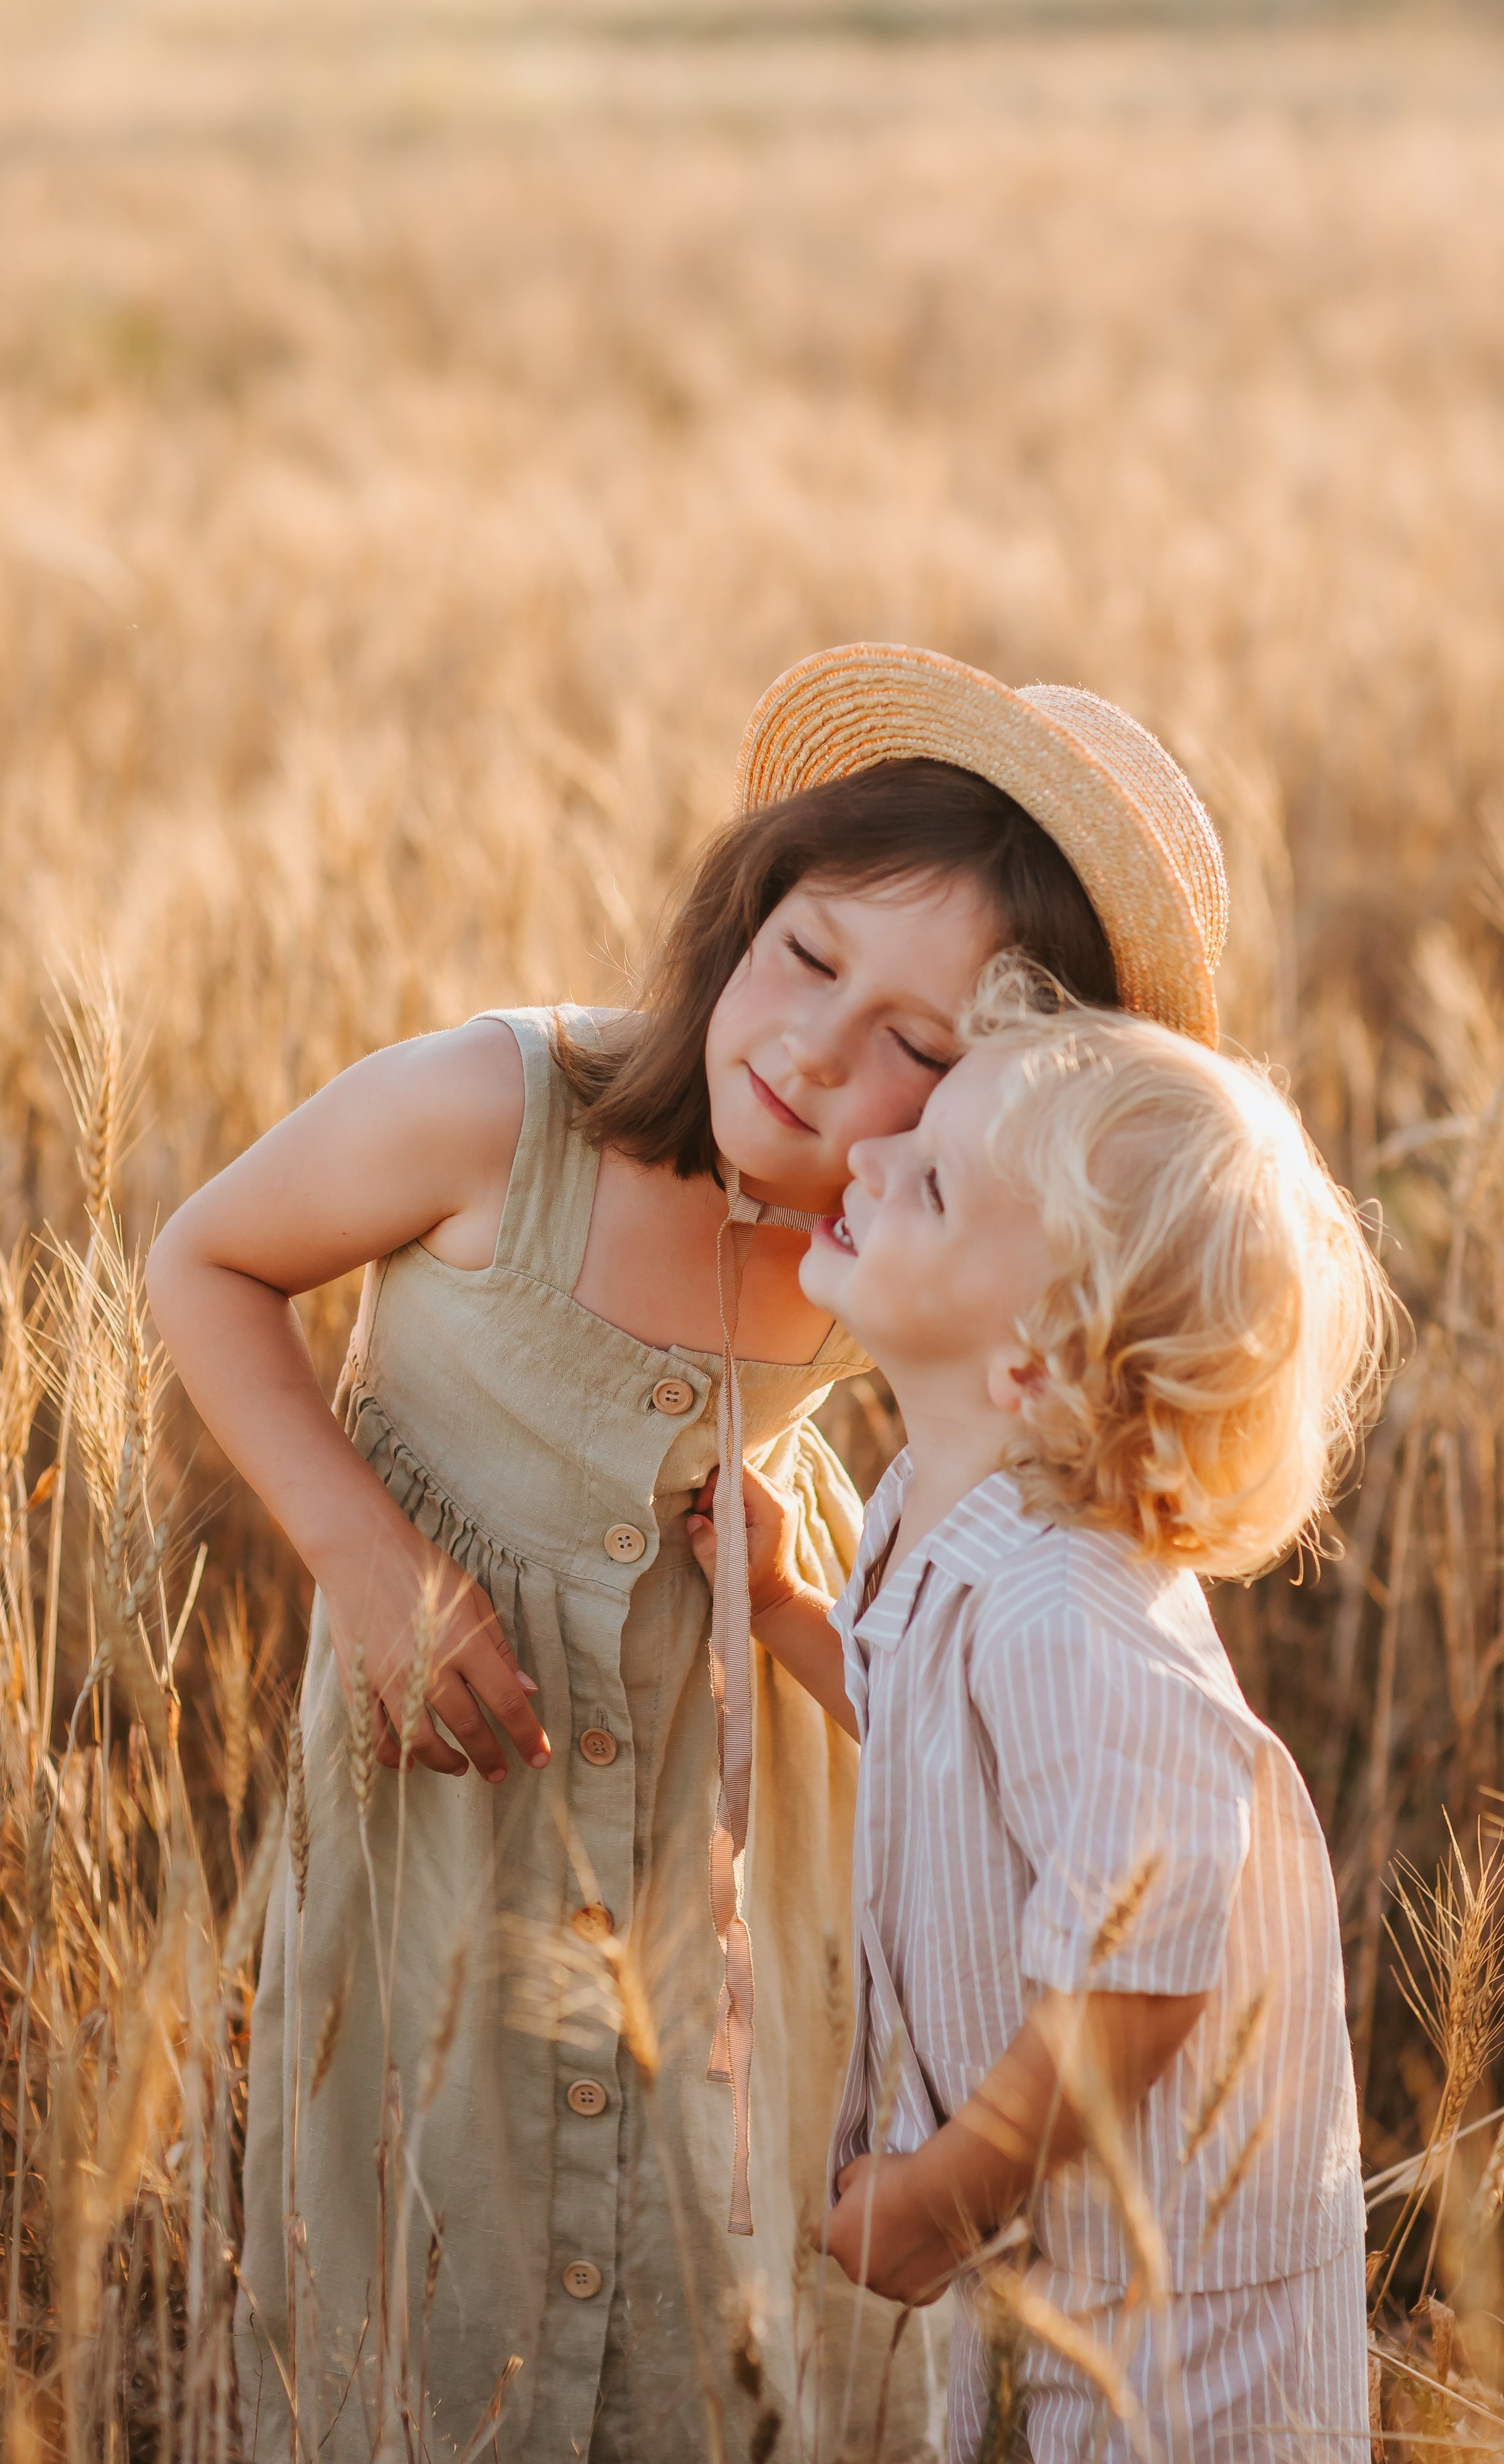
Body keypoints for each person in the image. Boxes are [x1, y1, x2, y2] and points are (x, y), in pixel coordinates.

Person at [145, 642, 1229, 2464]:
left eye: (922, 1049)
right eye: (808, 959)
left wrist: (834, 1635)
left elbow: (1042, 1534)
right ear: (743, 915)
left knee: (701, 2274)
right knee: (436, 2257)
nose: (816, 1052)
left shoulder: (890, 1241)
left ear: (995, 1116)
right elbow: (202, 1259)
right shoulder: (497, 1111)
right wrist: (366, 1557)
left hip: (723, 1841)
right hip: (450, 1800)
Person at [697, 981, 1389, 2460]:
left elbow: (1137, 1973)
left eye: (931, 1179)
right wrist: (781, 1606)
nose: (868, 1157)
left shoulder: (1074, 1614)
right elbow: (930, 1742)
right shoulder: (939, 1517)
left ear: (1037, 1355)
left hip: (1187, 2335)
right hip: (1051, 2270)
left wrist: (952, 2184)